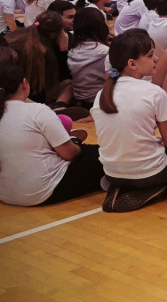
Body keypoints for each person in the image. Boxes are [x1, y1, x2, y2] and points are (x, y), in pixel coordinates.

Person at [91, 30, 167, 212]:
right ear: (132, 63)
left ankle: (125, 187)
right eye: (150, 55)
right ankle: (155, 188)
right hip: (149, 172)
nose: (156, 59)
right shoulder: (154, 93)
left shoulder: (102, 94)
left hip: (111, 173)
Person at [0, 62, 104, 206]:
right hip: (40, 191)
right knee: (103, 155)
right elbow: (69, 154)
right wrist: (78, 147)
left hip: (5, 195)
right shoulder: (37, 111)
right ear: (24, 83)